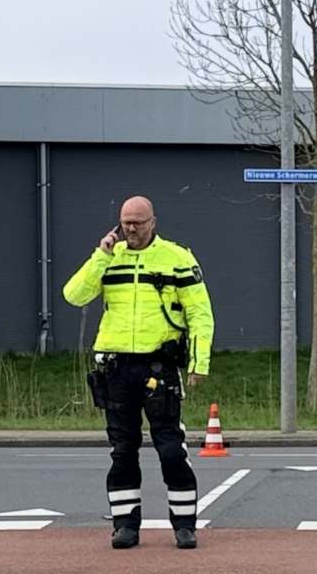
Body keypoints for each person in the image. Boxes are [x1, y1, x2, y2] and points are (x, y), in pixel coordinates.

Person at [63, 196, 214, 550]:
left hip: (158, 367)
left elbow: (200, 312)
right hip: (116, 368)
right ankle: (125, 526)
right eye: (126, 222)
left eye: (138, 222)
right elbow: (73, 295)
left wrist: (199, 361)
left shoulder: (177, 258)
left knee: (171, 449)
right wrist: (100, 256)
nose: (131, 229)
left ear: (153, 222)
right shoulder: (108, 258)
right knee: (122, 451)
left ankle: (184, 526)